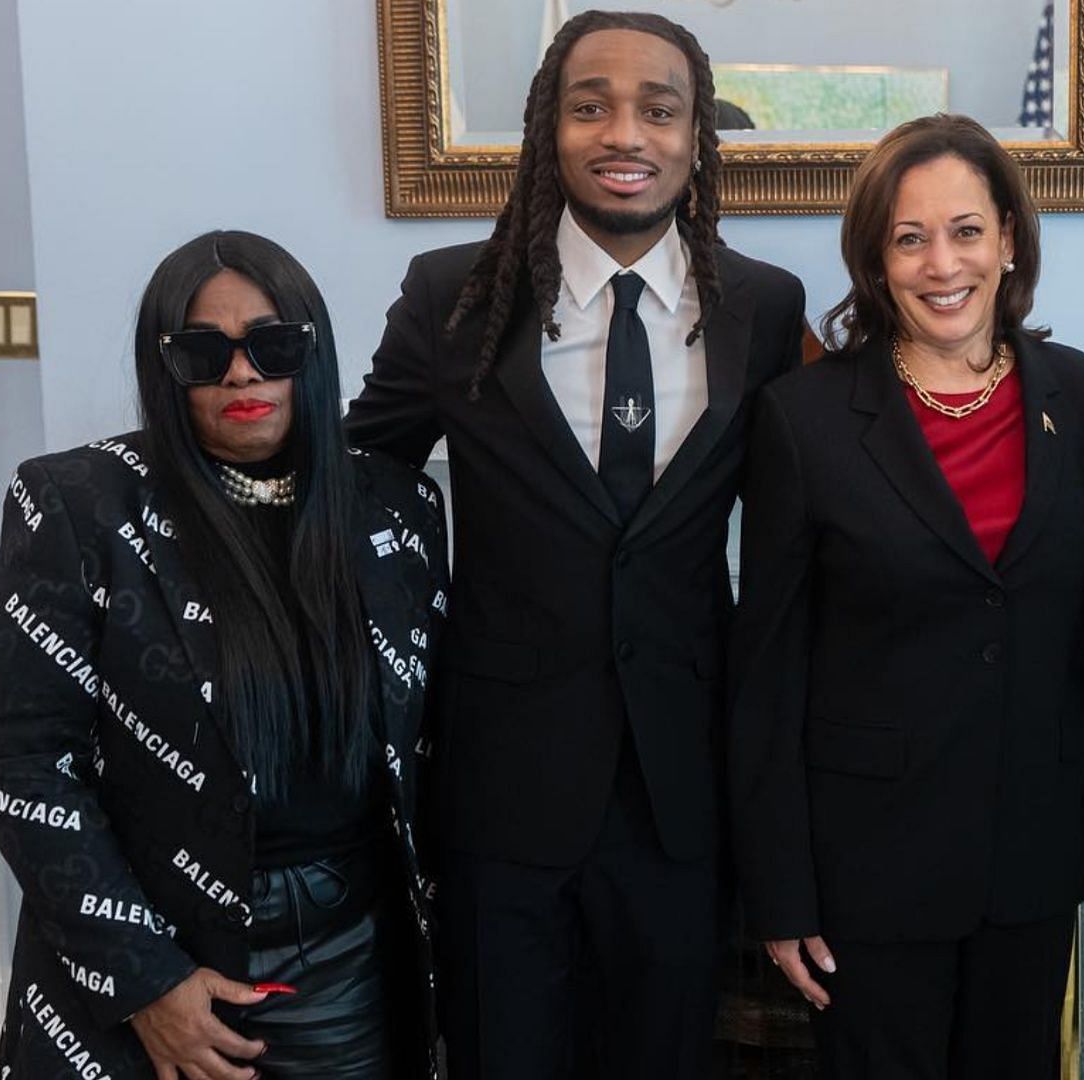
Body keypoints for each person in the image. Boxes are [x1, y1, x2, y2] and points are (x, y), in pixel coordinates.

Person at [343, 10, 806, 1078]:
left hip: (684, 784)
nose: (623, 133)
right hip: (503, 787)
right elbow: (355, 479)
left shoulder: (765, 310)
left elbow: (813, 504)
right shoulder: (451, 298)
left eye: (659, 107)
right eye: (589, 104)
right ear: (548, 126)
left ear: (699, 137)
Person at [0, 230, 450, 1079]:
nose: (241, 373)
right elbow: (21, 758)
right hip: (159, 944)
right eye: (202, 351)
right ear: (166, 368)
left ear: (314, 352)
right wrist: (147, 981)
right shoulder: (77, 506)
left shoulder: (396, 507)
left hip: (353, 961)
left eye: (274, 345)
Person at [727, 113, 1084, 1079]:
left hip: (1031, 850)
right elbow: (767, 669)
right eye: (910, 239)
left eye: (967, 230)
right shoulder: (802, 419)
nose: (943, 263)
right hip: (869, 869)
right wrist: (781, 892)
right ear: (876, 260)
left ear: (1010, 240)